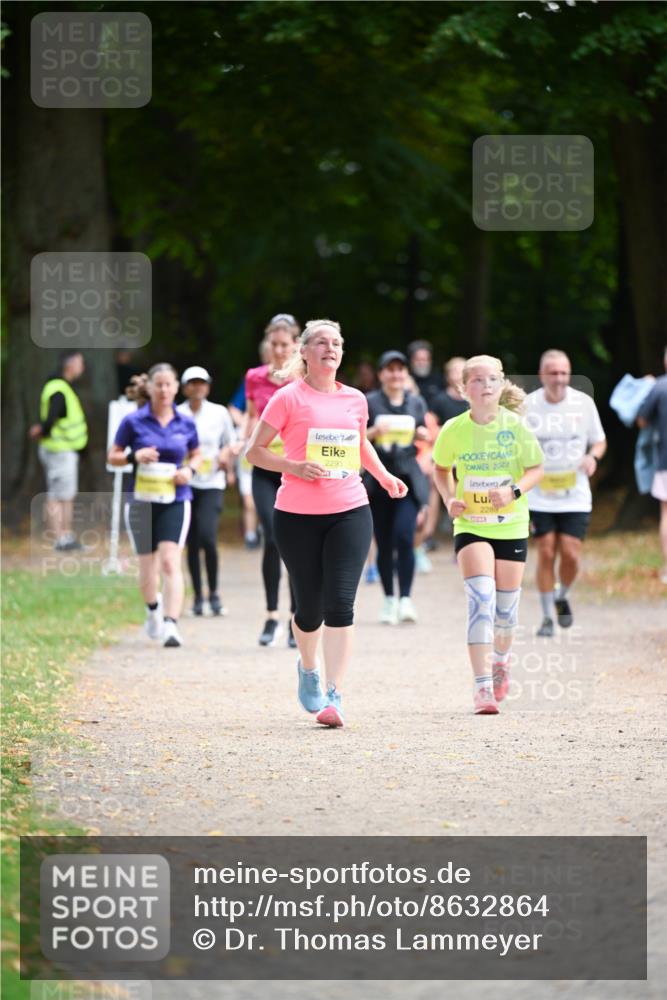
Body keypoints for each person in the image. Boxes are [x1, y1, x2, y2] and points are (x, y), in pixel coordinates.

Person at [246, 318, 407, 728]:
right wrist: (294, 466)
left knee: (341, 603)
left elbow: (360, 442)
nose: (330, 348)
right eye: (321, 342)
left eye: (336, 342)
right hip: (296, 515)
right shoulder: (287, 398)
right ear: (304, 351)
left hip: (350, 509)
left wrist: (384, 477)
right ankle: (308, 667)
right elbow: (255, 452)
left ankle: (334, 694)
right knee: (308, 608)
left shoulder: (355, 399)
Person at [433, 355, 544, 715]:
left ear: (501, 385)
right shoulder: (453, 429)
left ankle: (501, 661)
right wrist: (449, 497)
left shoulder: (516, 426)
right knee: (481, 599)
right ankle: (482, 688)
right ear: (463, 389)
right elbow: (440, 468)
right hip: (471, 525)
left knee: (506, 612)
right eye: (477, 381)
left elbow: (535, 469)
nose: (486, 386)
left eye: (492, 379)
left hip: (510, 524)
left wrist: (512, 492)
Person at [108, 364, 201, 648]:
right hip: (140, 501)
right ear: (149, 388)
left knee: (171, 561)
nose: (163, 390)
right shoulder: (133, 421)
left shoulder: (185, 423)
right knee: (148, 566)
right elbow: (113, 457)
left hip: (176, 499)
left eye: (168, 384)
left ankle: (171, 625)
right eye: (158, 385)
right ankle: (152, 609)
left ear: (176, 388)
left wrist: (189, 471)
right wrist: (135, 456)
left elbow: (196, 454)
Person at [524, 350, 607, 636]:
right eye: (552, 373)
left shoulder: (582, 404)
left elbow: (599, 441)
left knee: (570, 554)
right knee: (546, 551)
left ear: (569, 374)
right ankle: (547, 617)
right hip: (539, 494)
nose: (558, 379)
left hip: (575, 493)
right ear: (541, 374)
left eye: (563, 373)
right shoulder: (528, 406)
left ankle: (562, 595)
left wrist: (592, 458)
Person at [235, 318, 299, 647]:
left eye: (285, 345)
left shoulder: (304, 379)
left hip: (295, 469)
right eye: (274, 345)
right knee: (272, 536)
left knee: (297, 543)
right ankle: (272, 615)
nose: (278, 351)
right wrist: (239, 441)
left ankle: (295, 620)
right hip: (264, 467)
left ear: (295, 346)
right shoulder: (254, 377)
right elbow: (250, 417)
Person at [365, 350, 430, 624]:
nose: (396, 374)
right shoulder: (369, 402)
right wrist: (373, 433)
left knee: (405, 536)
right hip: (378, 480)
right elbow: (356, 438)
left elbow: (423, 432)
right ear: (381, 374)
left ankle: (405, 599)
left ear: (406, 374)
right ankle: (389, 599)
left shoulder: (416, 402)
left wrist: (422, 434)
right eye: (390, 369)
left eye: (400, 370)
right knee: (384, 541)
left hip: (407, 479)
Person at [178, 366, 235, 616]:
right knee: (191, 541)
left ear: (208, 386)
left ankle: (214, 593)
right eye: (192, 383)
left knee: (208, 537)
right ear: (185, 388)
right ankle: (198, 596)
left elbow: (231, 442)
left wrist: (226, 457)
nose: (197, 387)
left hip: (212, 481)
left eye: (202, 383)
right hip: (185, 482)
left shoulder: (219, 412)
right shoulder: (176, 413)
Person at [29, 350, 88, 551]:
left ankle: (66, 536)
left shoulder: (59, 387)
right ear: (69, 365)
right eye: (80, 363)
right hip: (59, 450)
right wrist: (43, 430)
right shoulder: (59, 389)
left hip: (62, 450)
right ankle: (60, 539)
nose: (82, 367)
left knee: (66, 495)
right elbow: (53, 415)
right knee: (57, 495)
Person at [637, 346, 667, 584]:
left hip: (664, 460)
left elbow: (641, 420)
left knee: (666, 514)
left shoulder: (659, 387)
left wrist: (645, 388)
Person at [431, 357, 469, 426]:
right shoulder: (439, 400)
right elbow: (432, 424)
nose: (460, 376)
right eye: (456, 372)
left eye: (463, 372)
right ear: (447, 376)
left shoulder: (475, 400)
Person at [407, 339, 443, 410]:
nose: (421, 363)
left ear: (430, 361)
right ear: (411, 360)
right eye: (418, 359)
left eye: (425, 359)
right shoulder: (404, 378)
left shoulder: (438, 378)